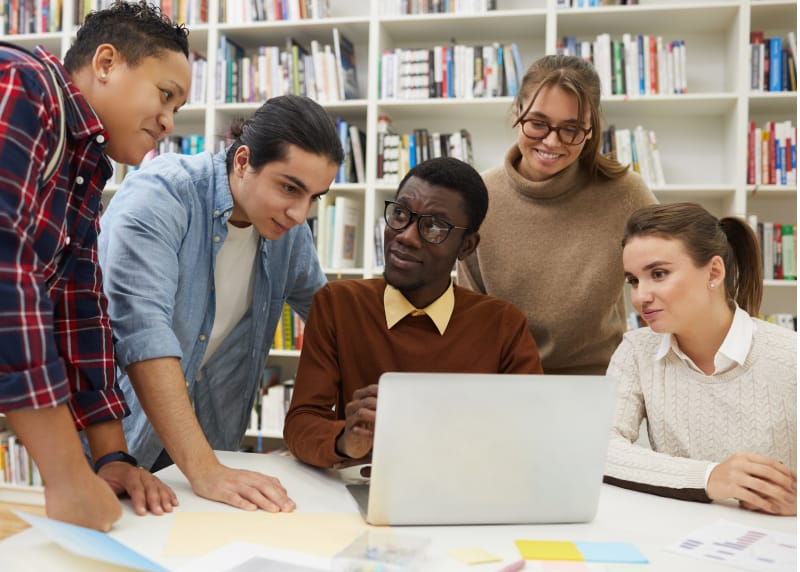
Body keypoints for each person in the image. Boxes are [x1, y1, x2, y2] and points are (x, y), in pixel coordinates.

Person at [98, 94, 344, 513]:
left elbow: (332, 324)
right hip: (116, 448)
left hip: (208, 450)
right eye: (289, 188)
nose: (300, 213)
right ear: (244, 160)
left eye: (315, 197)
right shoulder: (162, 194)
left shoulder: (289, 232)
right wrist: (205, 469)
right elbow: (143, 334)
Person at [0, 1, 191, 531]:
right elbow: (5, 271)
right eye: (165, 95)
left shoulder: (85, 166)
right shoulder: (24, 85)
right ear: (105, 63)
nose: (169, 122)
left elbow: (79, 306)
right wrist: (65, 475)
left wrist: (110, 458)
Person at [283, 157, 543, 468]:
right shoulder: (339, 304)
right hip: (365, 490)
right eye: (401, 214)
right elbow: (301, 423)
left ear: (467, 247)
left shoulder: (503, 324)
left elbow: (530, 434)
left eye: (433, 226)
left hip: (468, 490)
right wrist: (345, 440)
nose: (406, 236)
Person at [457, 54, 658, 375]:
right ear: (516, 113)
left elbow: (672, 277)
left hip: (598, 383)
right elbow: (469, 318)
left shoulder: (626, 193)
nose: (552, 141)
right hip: (503, 382)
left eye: (571, 129)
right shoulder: (478, 195)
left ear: (591, 131)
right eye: (537, 123)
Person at [604, 202, 796, 516]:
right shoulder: (636, 351)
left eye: (659, 274)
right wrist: (709, 477)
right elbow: (602, 448)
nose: (640, 297)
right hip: (682, 540)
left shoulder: (790, 358)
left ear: (714, 272)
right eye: (634, 281)